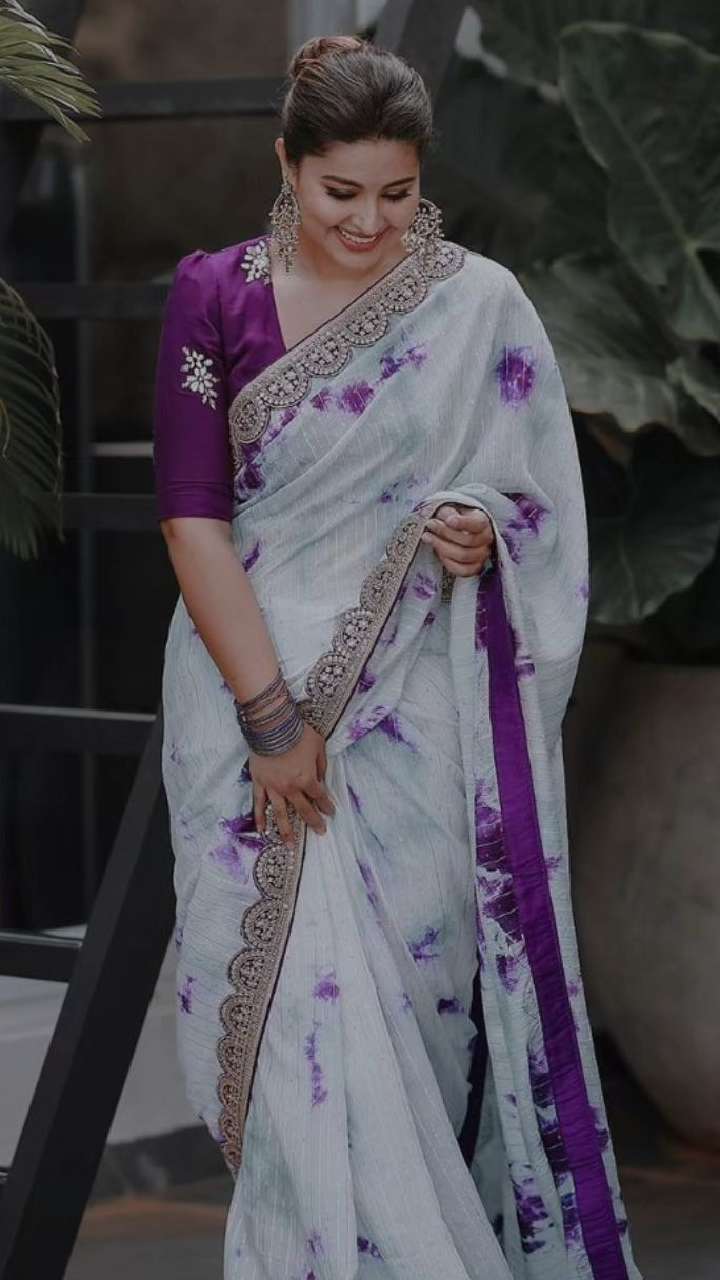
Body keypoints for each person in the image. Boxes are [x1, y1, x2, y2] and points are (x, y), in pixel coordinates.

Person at [153, 33, 642, 1280]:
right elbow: (193, 518)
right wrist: (273, 722)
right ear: (287, 163)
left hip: (414, 720)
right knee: (285, 1052)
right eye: (340, 192)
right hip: (242, 702)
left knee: (418, 1029)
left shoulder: (476, 305)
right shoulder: (214, 294)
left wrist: (480, 529)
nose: (368, 223)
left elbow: (533, 500)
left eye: (397, 192)